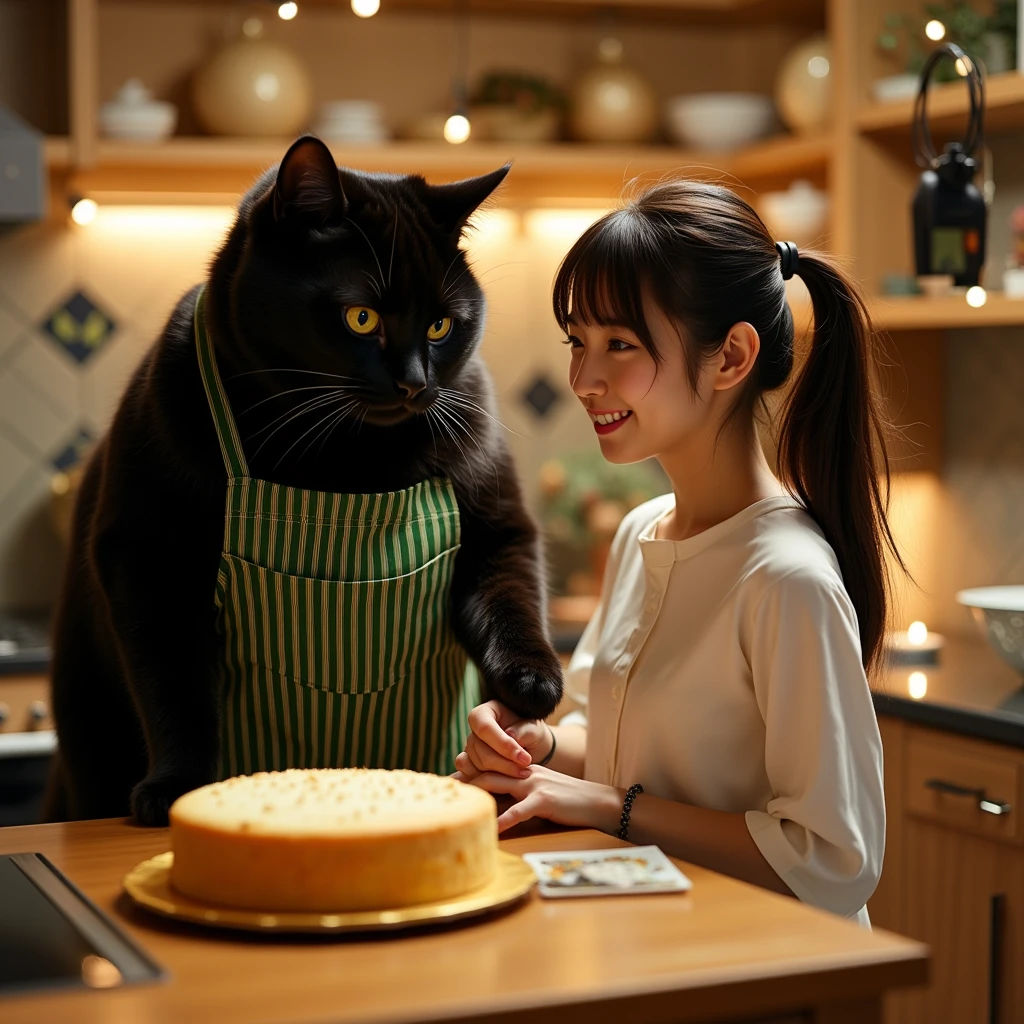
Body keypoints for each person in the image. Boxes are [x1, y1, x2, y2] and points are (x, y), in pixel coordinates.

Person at [454, 180, 904, 926]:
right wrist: (539, 743)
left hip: (761, 971)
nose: (583, 379)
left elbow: (833, 862)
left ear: (731, 356)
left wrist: (607, 806)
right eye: (579, 342)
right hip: (644, 941)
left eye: (619, 344)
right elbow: (620, 743)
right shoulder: (641, 533)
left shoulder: (786, 579)